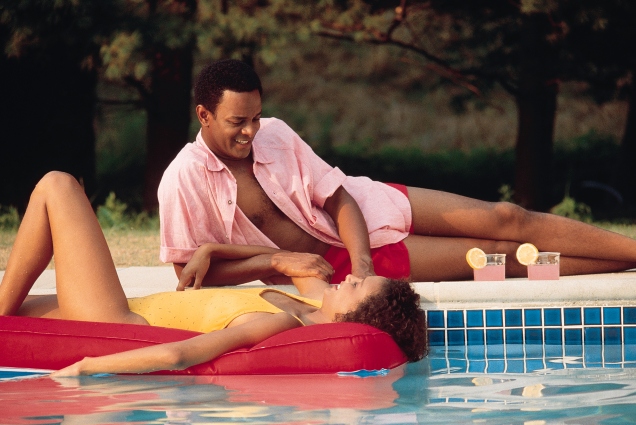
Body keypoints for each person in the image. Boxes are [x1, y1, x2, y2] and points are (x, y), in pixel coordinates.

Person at [159, 59, 636, 288]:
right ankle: (627, 264)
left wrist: (362, 260)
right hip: (333, 270)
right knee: (495, 260)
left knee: (506, 217)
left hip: (366, 215)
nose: (250, 132)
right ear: (204, 115)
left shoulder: (276, 133)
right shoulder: (182, 180)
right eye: (237, 122)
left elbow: (339, 198)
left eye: (256, 117)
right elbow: (191, 274)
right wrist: (278, 263)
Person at [0, 172, 427, 376]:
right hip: (124, 304)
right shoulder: (314, 295)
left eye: (358, 286)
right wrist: (217, 249)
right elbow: (287, 257)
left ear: (349, 318)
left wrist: (83, 368)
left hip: (114, 322)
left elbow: (179, 355)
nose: (351, 277)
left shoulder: (281, 322)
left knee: (58, 186)